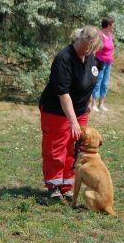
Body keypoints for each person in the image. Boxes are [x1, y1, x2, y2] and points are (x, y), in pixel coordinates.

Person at [39, 25, 103, 199]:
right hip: (57, 111)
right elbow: (63, 94)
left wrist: (89, 101)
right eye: (90, 47)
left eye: (93, 49)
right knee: (56, 148)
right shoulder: (64, 58)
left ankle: (67, 184)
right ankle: (54, 186)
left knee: (74, 148)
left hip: (81, 111)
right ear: (83, 41)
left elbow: (90, 81)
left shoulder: (90, 57)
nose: (90, 52)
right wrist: (73, 122)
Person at [91, 17, 115, 112]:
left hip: (108, 63)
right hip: (100, 62)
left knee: (105, 84)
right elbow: (94, 48)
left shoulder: (110, 34)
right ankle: (93, 105)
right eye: (112, 25)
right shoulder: (99, 35)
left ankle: (101, 104)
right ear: (108, 25)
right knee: (97, 83)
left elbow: (111, 48)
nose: (113, 27)